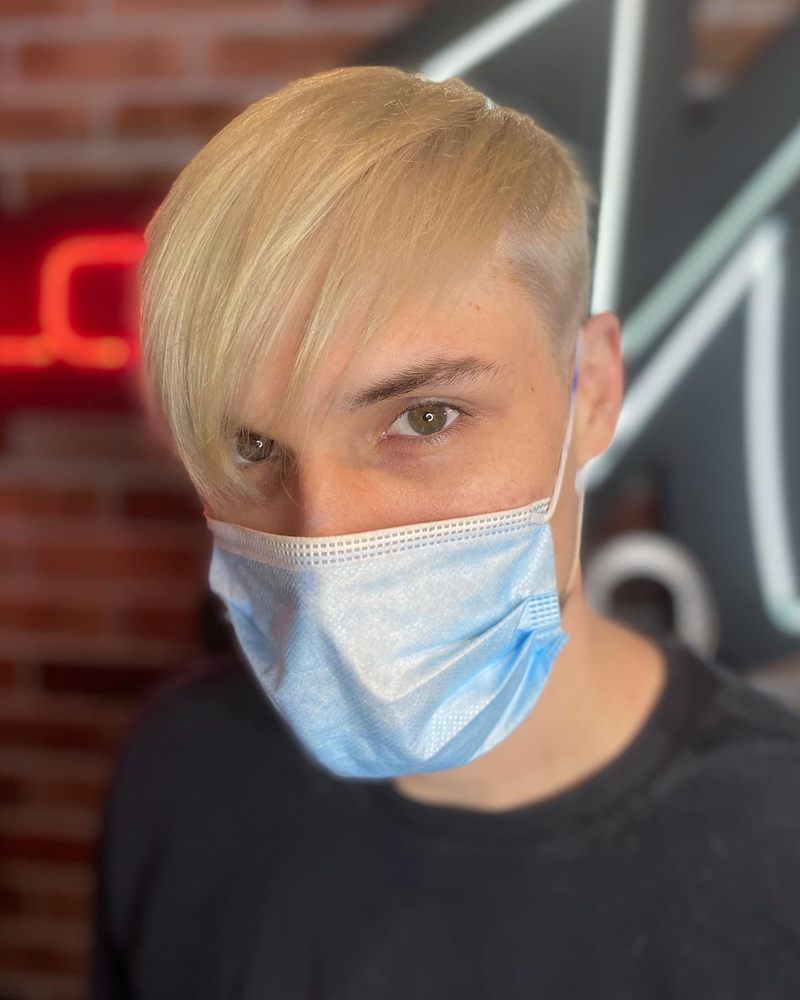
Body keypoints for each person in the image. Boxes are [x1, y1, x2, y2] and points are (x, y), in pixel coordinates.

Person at [92, 65, 800, 999]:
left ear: (590, 391)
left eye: (425, 418)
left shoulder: (776, 842)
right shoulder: (179, 774)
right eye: (252, 444)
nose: (326, 535)